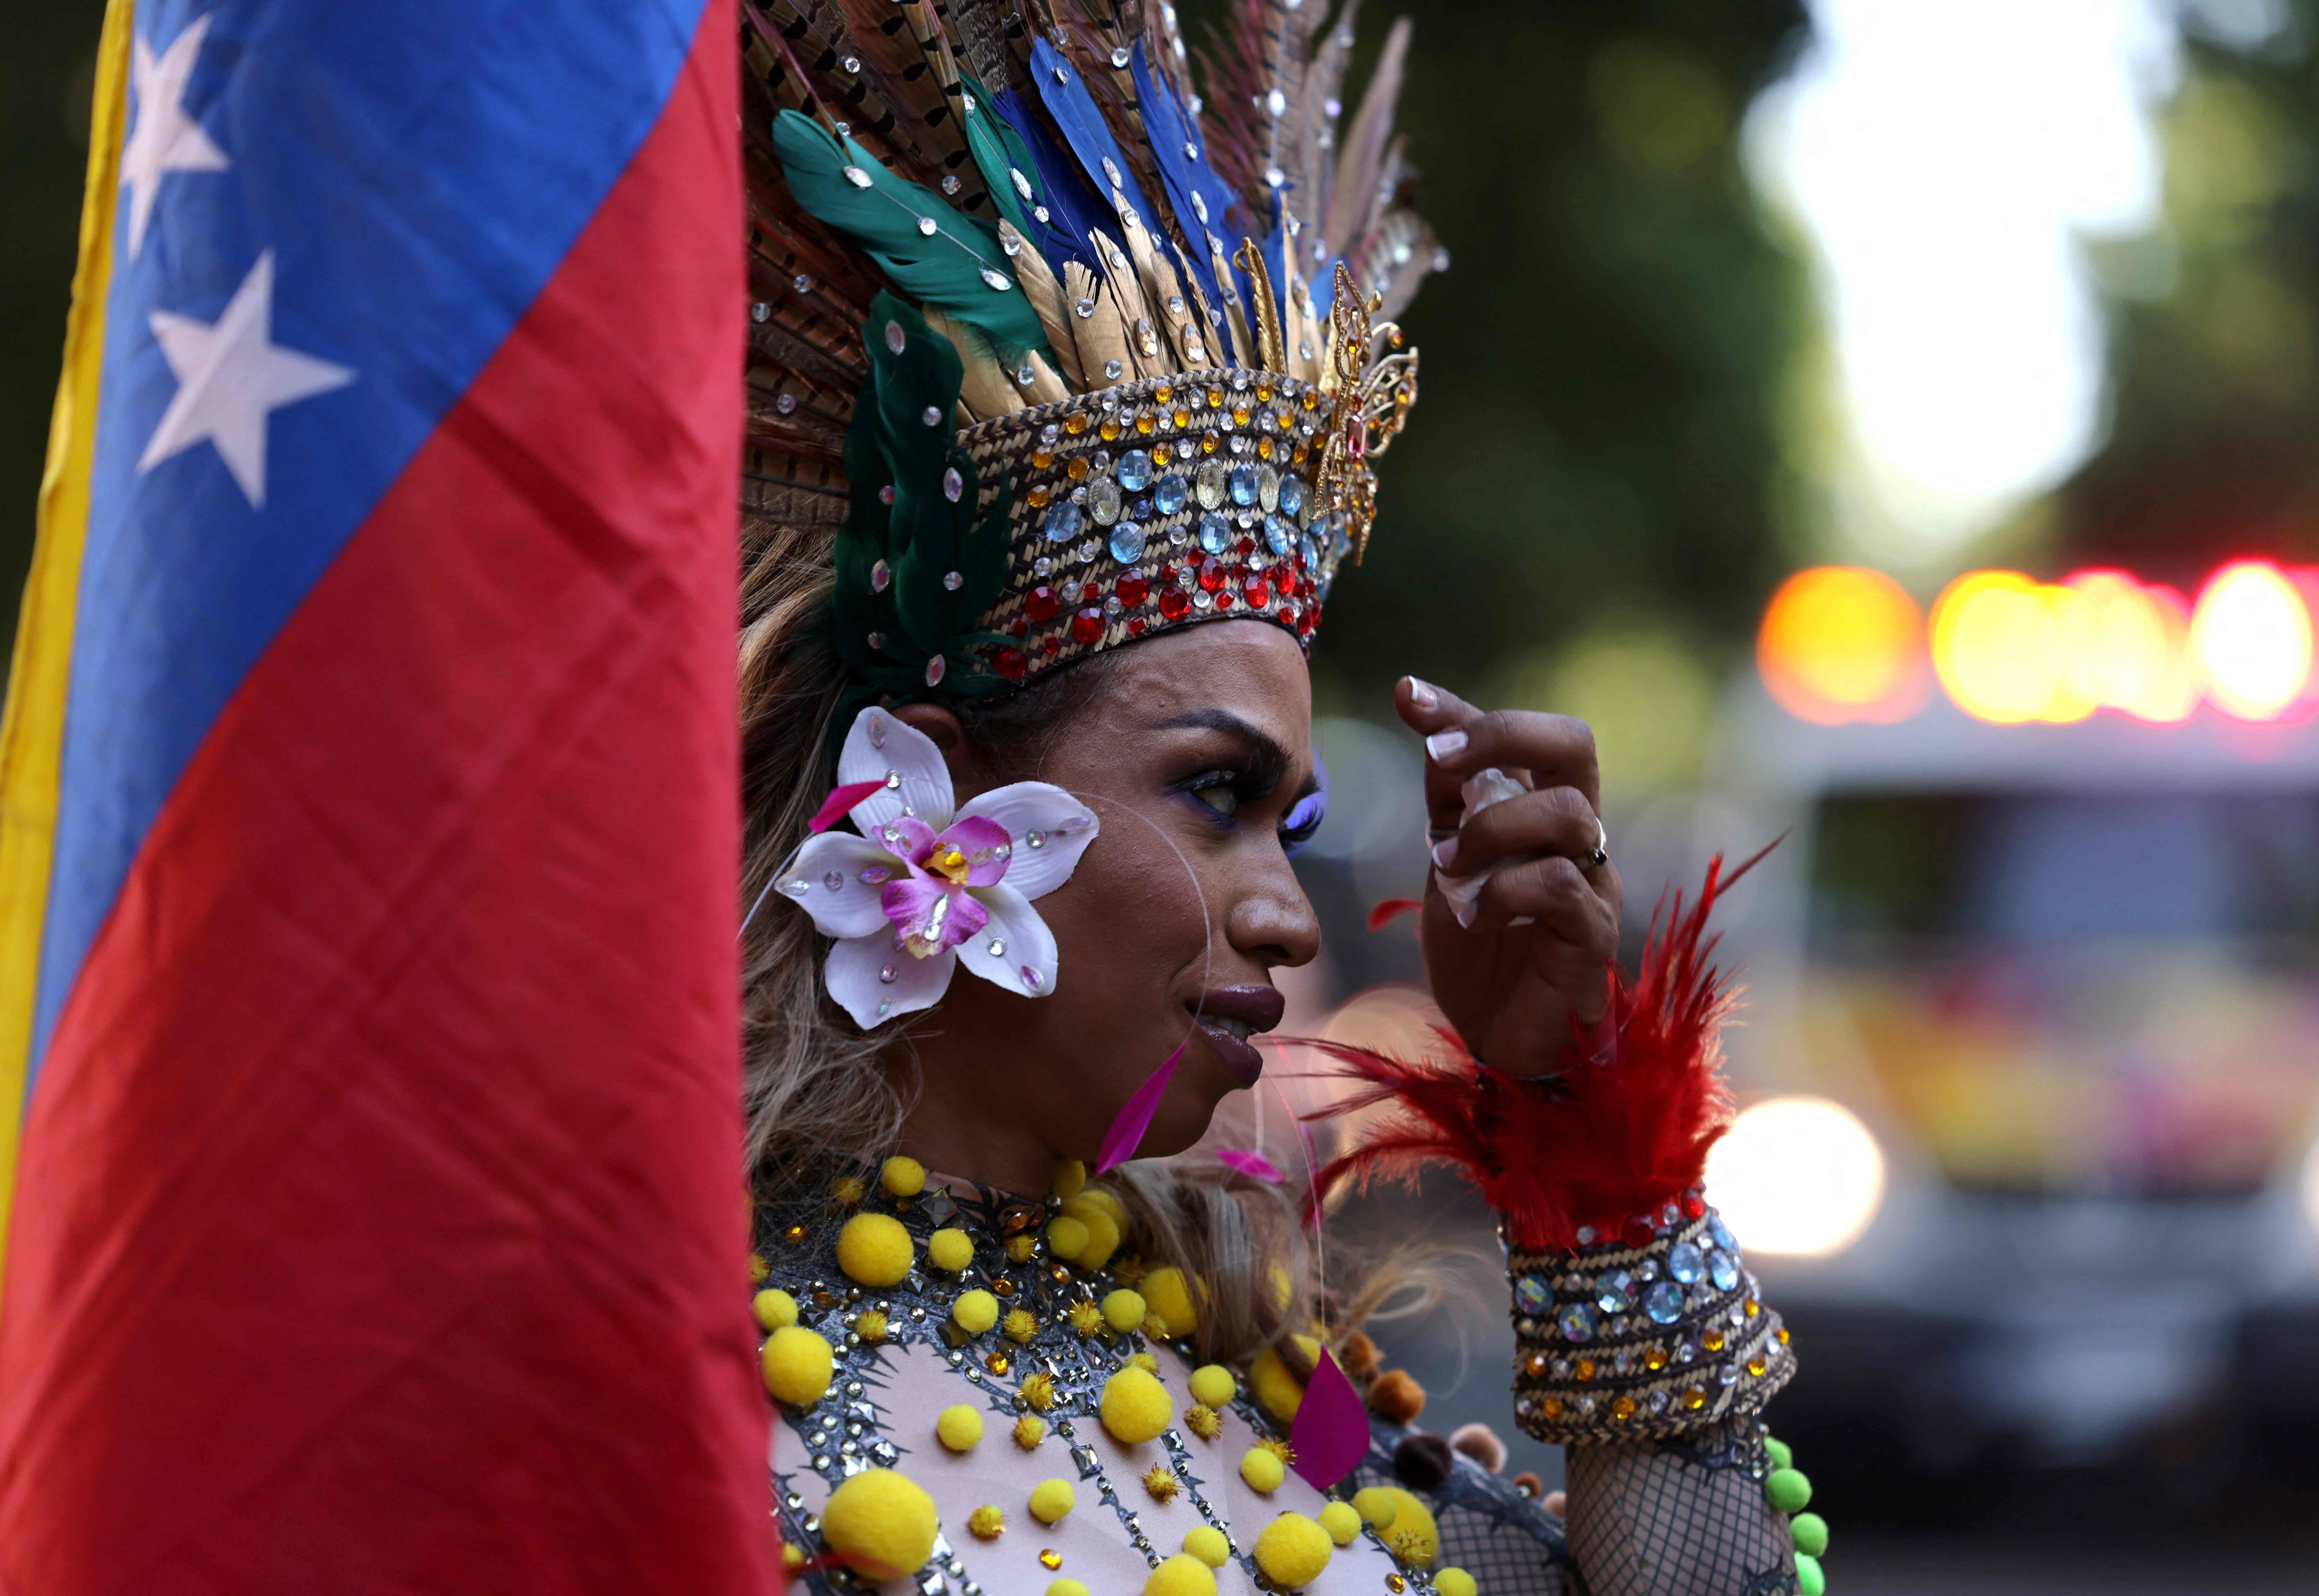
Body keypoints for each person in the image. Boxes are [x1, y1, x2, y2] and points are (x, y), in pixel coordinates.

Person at [734, 5, 1819, 1595]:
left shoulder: (1264, 1381)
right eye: (1216, 793)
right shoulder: (661, 1371)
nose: (1287, 914)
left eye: (1290, 823)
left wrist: (1584, 1138)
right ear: (938, 803)